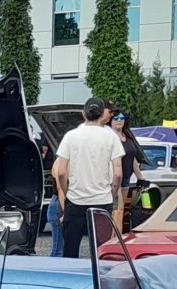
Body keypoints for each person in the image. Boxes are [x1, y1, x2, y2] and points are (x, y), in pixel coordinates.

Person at [51, 96, 123, 259]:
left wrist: (66, 192)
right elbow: (118, 173)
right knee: (101, 250)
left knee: (70, 251)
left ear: (83, 114)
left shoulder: (70, 136)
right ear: (102, 114)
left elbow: (61, 172)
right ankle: (100, 274)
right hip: (102, 200)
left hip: (76, 200)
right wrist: (112, 193)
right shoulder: (111, 137)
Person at [109, 111, 143, 233]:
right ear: (110, 121)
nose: (119, 120)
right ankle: (114, 238)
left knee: (121, 210)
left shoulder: (128, 137)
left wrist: (141, 177)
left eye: (122, 118)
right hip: (114, 178)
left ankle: (117, 234)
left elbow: (133, 159)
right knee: (117, 209)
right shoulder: (109, 137)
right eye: (116, 118)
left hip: (126, 178)